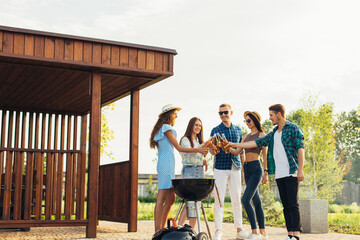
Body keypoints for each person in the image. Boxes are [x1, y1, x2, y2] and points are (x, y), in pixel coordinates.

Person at [226, 104, 305, 240]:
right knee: (285, 205)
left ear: (279, 114)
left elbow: (300, 149)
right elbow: (256, 143)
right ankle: (290, 234)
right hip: (279, 173)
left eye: (271, 115)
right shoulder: (274, 133)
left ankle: (296, 235)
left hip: (292, 170)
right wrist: (233, 144)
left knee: (293, 203)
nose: (269, 118)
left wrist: (301, 170)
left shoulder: (293, 128)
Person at [150, 104, 208, 232]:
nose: (177, 115)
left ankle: (163, 228)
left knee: (171, 199)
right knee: (161, 198)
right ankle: (157, 231)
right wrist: (197, 149)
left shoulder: (165, 128)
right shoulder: (166, 127)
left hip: (169, 164)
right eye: (175, 113)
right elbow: (179, 147)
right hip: (165, 164)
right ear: (170, 114)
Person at [209, 103, 249, 240]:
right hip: (220, 168)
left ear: (231, 112)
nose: (223, 115)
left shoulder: (238, 130)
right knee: (219, 200)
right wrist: (215, 148)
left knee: (236, 200)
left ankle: (239, 230)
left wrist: (244, 171)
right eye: (220, 113)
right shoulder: (215, 130)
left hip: (236, 168)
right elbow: (212, 152)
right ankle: (218, 230)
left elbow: (241, 152)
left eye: (225, 112)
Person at [228, 111, 268, 240]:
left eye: (249, 120)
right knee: (256, 201)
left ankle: (255, 232)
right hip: (247, 169)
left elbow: (265, 156)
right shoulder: (245, 137)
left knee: (245, 200)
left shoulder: (261, 135)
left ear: (255, 120)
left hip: (257, 168)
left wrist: (266, 172)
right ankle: (263, 232)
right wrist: (225, 146)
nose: (247, 123)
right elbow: (236, 152)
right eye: (245, 121)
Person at [177, 117, 209, 229]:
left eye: (200, 125)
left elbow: (197, 155)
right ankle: (180, 227)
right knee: (189, 202)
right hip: (189, 170)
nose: (198, 127)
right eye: (196, 125)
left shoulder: (198, 141)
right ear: (191, 126)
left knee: (197, 203)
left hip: (199, 171)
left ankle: (191, 230)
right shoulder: (185, 139)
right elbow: (188, 153)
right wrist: (199, 149)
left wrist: (203, 160)